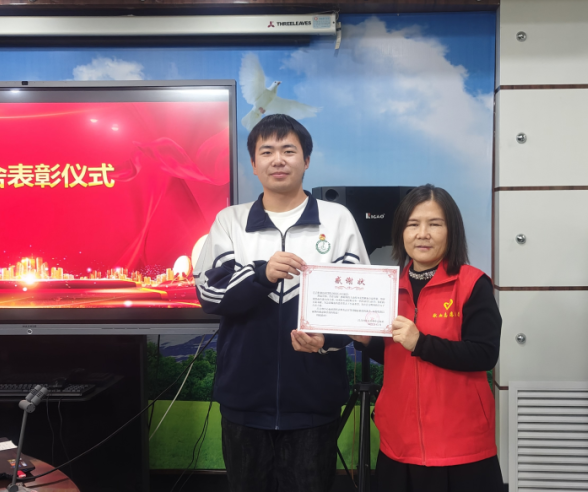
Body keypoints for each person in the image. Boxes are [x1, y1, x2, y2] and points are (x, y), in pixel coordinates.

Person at [192, 114, 369, 492]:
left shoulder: (337, 220)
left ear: (307, 160)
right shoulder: (230, 221)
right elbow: (210, 295)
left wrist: (327, 339)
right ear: (254, 164)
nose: (278, 159)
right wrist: (262, 274)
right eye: (267, 151)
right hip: (244, 402)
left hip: (314, 401)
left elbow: (360, 306)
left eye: (289, 150)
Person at [352, 184, 504, 492]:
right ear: (401, 232)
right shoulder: (387, 287)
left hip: (461, 445)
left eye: (435, 224)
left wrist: (421, 343)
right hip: (400, 443)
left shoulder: (472, 284)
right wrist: (367, 343)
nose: (423, 234)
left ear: (452, 231)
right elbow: (395, 354)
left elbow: (484, 354)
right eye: (413, 224)